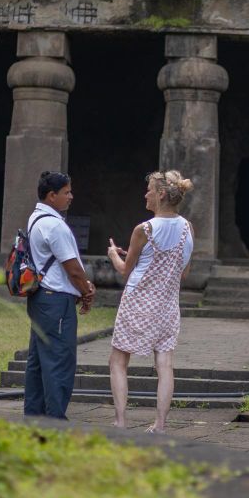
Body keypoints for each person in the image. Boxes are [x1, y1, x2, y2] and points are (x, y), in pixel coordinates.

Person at [107, 170, 194, 433]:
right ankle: (160, 424)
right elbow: (185, 272)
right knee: (165, 364)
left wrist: (113, 254)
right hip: (167, 304)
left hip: (137, 302)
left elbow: (125, 270)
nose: (145, 194)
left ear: (161, 194)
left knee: (118, 361)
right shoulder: (187, 227)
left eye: (149, 190)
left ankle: (121, 421)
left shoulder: (144, 229)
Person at [24, 170, 95, 420]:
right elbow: (73, 269)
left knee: (38, 362)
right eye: (66, 192)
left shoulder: (35, 219)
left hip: (42, 299)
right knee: (58, 361)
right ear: (51, 196)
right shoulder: (54, 224)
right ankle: (55, 419)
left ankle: (34, 415)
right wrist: (87, 291)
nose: (71, 197)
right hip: (56, 301)